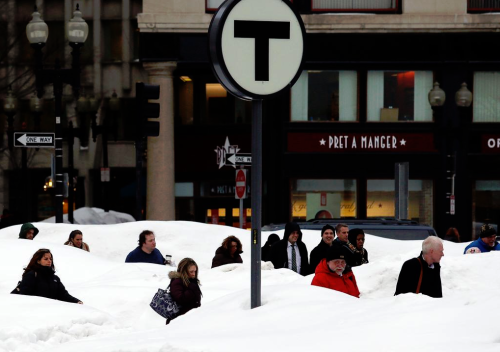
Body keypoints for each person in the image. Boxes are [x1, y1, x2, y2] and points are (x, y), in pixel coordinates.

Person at [11, 248, 82, 304]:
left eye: (50, 259)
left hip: (50, 313)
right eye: (46, 259)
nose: (49, 261)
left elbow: (63, 295)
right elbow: (24, 297)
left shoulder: (55, 278)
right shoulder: (32, 275)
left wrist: (77, 301)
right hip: (33, 313)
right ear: (38, 261)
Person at [167, 258, 202, 324]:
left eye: (195, 271)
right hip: (178, 320)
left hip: (190, 318)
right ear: (184, 271)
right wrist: (192, 288)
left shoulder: (190, 281)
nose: (194, 274)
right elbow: (180, 298)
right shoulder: (177, 281)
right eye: (191, 272)